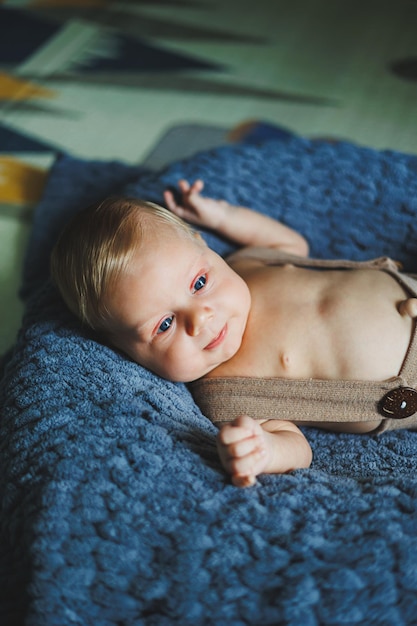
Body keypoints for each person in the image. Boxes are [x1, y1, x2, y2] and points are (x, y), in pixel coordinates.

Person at [50, 180, 417, 487]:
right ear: (124, 350)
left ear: (203, 244)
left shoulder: (246, 264)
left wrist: (223, 215)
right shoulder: (223, 393)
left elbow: (292, 245)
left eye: (199, 282)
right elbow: (297, 447)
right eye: (164, 325)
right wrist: (262, 450)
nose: (200, 318)